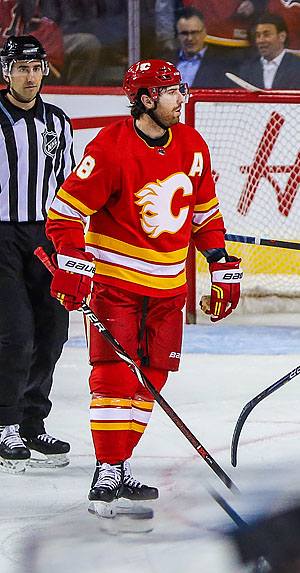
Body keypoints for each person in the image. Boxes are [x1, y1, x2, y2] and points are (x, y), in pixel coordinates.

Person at [44, 60, 242, 517]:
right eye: (171, 91)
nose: (181, 98)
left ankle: (119, 461)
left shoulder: (192, 145)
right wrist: (73, 265)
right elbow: (64, 214)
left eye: (180, 89)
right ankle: (108, 470)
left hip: (170, 291)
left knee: (152, 379)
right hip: (117, 287)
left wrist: (220, 264)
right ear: (146, 99)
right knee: (114, 376)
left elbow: (205, 218)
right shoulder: (110, 149)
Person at [0, 36, 74, 474]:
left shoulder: (57, 123)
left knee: (52, 330)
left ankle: (31, 421)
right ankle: (4, 422)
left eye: (35, 68)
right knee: (15, 333)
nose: (29, 76)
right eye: (20, 68)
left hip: (45, 238)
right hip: (0, 235)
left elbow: (69, 186)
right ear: (6, 72)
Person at [236, 13, 300, 90]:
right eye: (258, 35)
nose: (260, 40)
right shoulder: (247, 68)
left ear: (282, 36)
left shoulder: (299, 67)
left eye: (266, 35)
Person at [169, 7, 236, 89]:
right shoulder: (165, 63)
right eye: (184, 33)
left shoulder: (222, 65)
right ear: (177, 35)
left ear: (205, 32)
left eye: (195, 33)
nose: (190, 38)